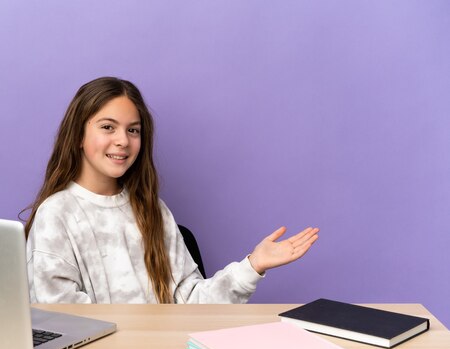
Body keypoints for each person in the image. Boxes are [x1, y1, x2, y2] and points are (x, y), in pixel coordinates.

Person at [21, 76, 319, 304]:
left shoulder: (152, 210)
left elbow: (191, 302)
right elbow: (60, 314)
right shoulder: (56, 214)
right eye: (108, 127)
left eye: (133, 130)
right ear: (78, 136)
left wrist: (253, 265)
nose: (123, 140)